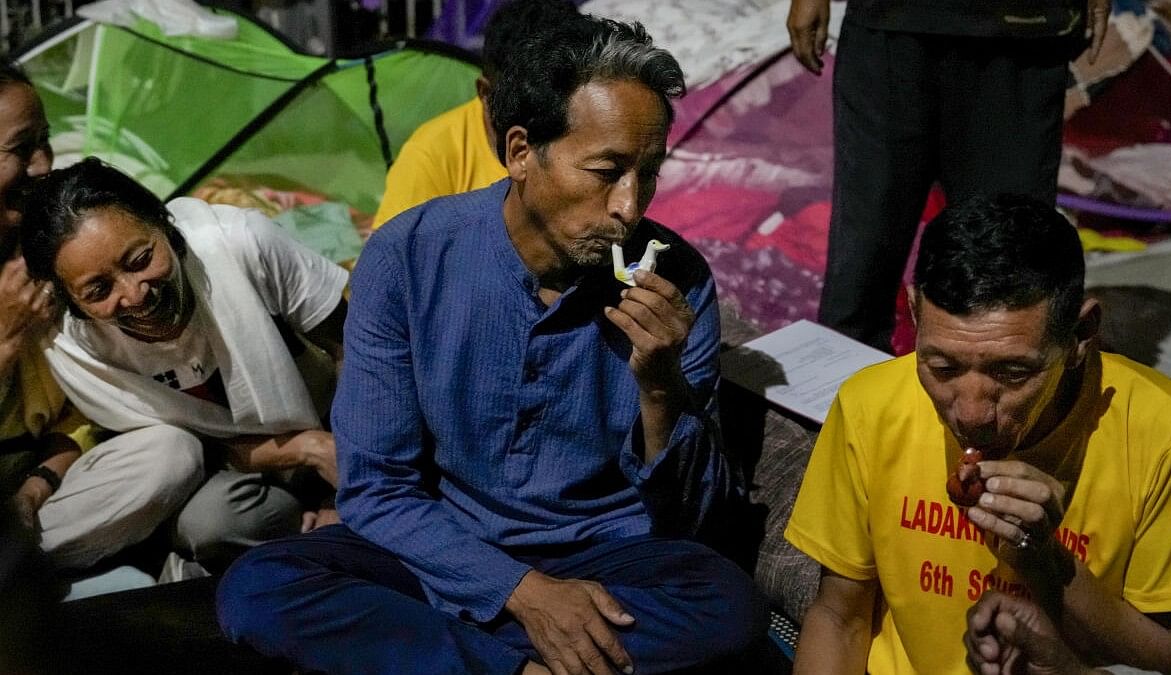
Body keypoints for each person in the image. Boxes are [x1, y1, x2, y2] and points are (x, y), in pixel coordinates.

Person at [217, 16, 761, 675]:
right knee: (257, 586)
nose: (629, 206)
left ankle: (448, 655)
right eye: (607, 171)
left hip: (603, 559)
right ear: (521, 151)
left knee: (728, 603)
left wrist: (660, 385)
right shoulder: (407, 258)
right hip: (445, 549)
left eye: (648, 174)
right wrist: (523, 595)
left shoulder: (680, 279)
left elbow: (698, 520)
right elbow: (378, 486)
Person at [785, 194, 1171, 674]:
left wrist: (1044, 561)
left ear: (1082, 336)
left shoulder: (1166, 432)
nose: (973, 413)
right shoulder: (870, 407)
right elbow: (839, 617)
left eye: (1012, 372)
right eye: (942, 366)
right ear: (915, 315)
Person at [22, 157, 348, 572]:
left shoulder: (236, 243)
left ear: (166, 226)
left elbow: (355, 349)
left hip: (347, 425)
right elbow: (202, 448)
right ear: (72, 303)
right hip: (248, 466)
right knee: (213, 522)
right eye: (98, 290)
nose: (135, 295)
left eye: (140, 260)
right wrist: (308, 449)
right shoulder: (77, 352)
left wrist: (347, 483)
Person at [787, 0, 1112, 352]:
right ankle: (845, 393)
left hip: (1021, 30)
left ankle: (1013, 394)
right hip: (891, 23)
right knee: (866, 250)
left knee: (1010, 253)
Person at [0, 63, 203, 573]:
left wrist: (34, 488)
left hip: (43, 491)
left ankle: (21, 570)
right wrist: (4, 342)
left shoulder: (49, 256)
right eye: (22, 148)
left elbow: (85, 411)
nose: (44, 165)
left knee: (170, 453)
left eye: (44, 141)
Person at [371, 0, 580, 228]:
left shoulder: (596, 135)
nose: (543, 114)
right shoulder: (431, 153)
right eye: (524, 101)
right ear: (485, 92)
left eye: (559, 97)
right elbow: (394, 257)